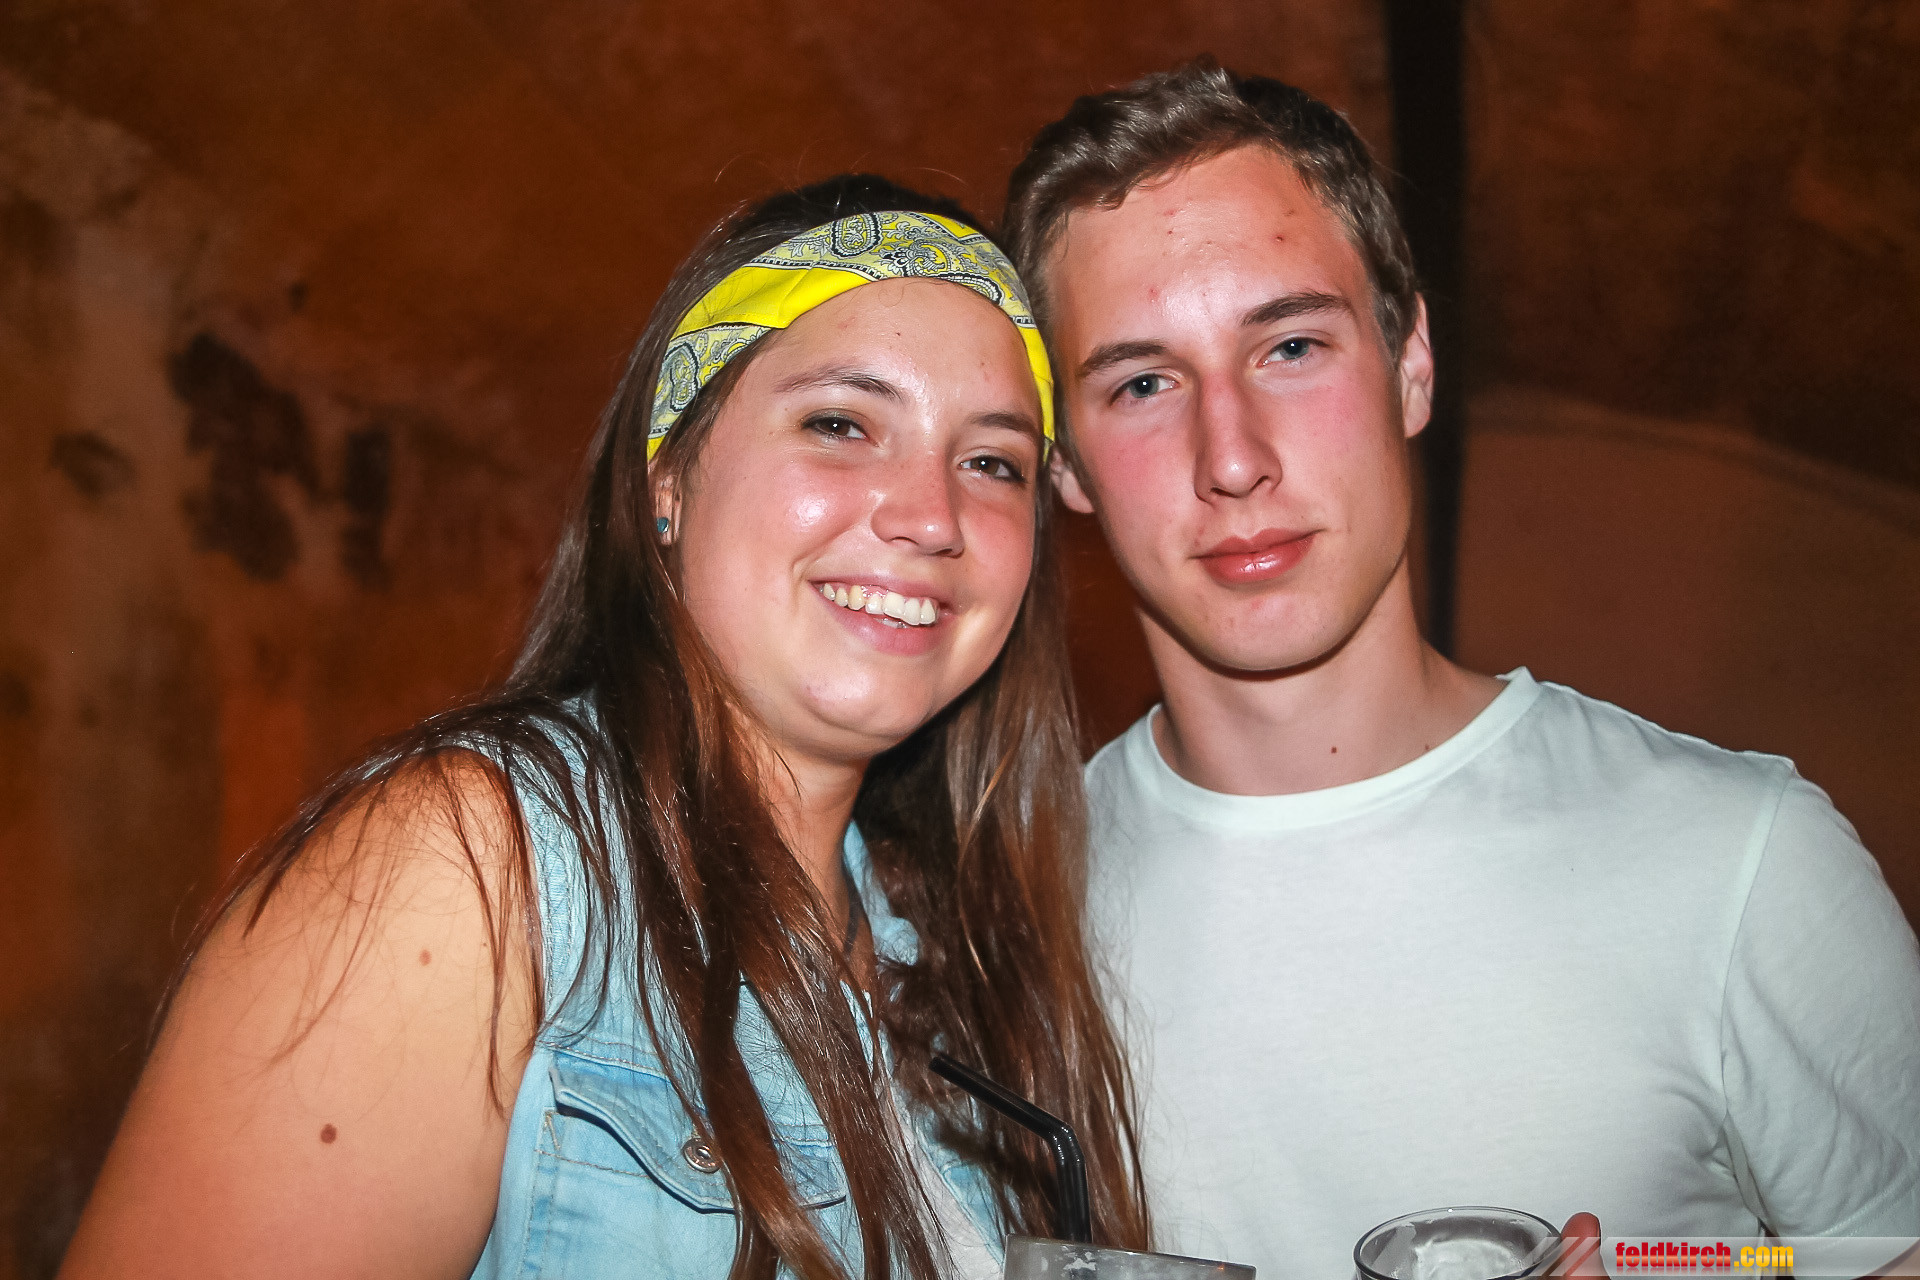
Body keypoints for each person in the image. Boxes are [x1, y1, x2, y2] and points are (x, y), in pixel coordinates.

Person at [60, 176, 1151, 1279]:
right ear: (669, 475)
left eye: (991, 462)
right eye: (840, 423)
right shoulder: (476, 870)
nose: (931, 516)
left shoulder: (953, 956)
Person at [1001, 59, 1920, 1278]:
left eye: (1290, 345)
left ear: (1412, 364)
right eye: (1144, 382)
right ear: (1064, 462)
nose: (1232, 456)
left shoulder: (1744, 863)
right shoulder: (998, 919)